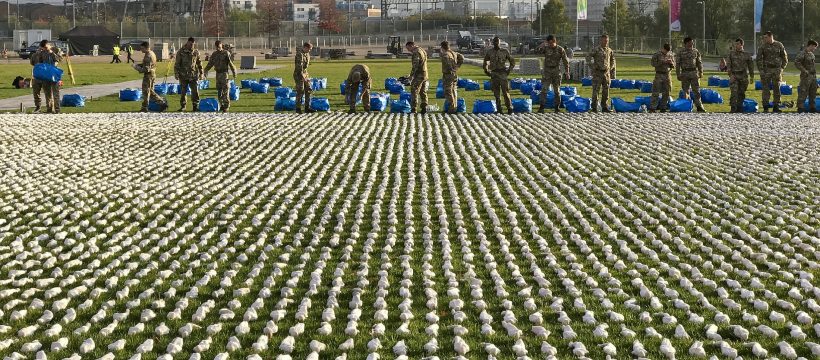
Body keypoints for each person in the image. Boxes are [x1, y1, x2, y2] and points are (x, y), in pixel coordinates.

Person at [535, 34, 570, 113]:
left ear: (555, 41)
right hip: (547, 72)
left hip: (556, 72)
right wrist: (542, 45)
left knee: (557, 91)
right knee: (544, 90)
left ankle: (556, 107)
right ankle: (542, 107)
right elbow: (536, 51)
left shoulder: (560, 49)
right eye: (549, 43)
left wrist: (567, 72)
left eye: (551, 43)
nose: (550, 44)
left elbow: (565, 61)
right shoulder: (546, 48)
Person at [756, 31, 788, 112]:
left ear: (771, 37)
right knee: (765, 88)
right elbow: (759, 59)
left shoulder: (779, 45)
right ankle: (765, 106)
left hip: (777, 70)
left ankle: (776, 106)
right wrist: (761, 70)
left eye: (766, 37)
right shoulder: (762, 47)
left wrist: (781, 68)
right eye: (764, 38)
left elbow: (785, 58)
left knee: (777, 88)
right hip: (766, 70)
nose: (764, 39)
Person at [483, 36, 515, 114]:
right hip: (494, 74)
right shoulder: (490, 52)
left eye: (497, 41)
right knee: (496, 93)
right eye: (495, 41)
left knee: (506, 92)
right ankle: (499, 109)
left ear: (500, 42)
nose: (496, 43)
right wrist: (486, 70)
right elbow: (485, 61)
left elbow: (512, 62)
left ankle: (509, 108)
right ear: (492, 43)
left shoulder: (505, 51)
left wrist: (509, 71)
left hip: (503, 73)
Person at [204, 40, 237, 113]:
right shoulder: (214, 54)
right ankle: (221, 105)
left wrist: (234, 72)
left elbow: (230, 64)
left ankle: (226, 106)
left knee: (225, 91)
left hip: (224, 74)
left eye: (219, 47)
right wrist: (205, 70)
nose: (218, 48)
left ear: (221, 45)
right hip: (218, 74)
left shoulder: (226, 53)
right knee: (219, 92)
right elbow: (210, 63)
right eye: (217, 47)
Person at [29, 39, 62, 114]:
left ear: (49, 45)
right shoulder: (42, 52)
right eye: (43, 48)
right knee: (48, 93)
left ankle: (57, 110)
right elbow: (38, 62)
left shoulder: (56, 50)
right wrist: (38, 53)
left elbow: (59, 59)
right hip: (46, 75)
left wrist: (52, 53)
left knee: (56, 93)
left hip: (54, 74)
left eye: (46, 48)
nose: (45, 49)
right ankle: (49, 109)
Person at [586, 34, 616, 112]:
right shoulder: (596, 49)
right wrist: (592, 66)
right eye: (604, 40)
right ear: (601, 40)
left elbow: (613, 60)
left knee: (606, 91)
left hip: (606, 73)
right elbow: (588, 56)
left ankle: (604, 107)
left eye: (607, 41)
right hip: (597, 73)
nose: (606, 42)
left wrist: (611, 68)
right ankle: (594, 107)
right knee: (596, 91)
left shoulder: (609, 50)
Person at [675, 37, 706, 112]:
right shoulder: (680, 52)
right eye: (690, 43)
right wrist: (678, 74)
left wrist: (701, 72)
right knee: (685, 91)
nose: (691, 44)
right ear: (685, 43)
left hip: (694, 73)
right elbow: (678, 64)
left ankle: (699, 106)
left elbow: (699, 62)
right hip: (685, 73)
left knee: (697, 91)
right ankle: (687, 106)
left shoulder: (695, 51)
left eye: (692, 43)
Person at [175, 37, 203, 112]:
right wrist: (176, 73)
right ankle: (183, 106)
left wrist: (201, 73)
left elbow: (199, 63)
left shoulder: (195, 52)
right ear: (187, 42)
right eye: (190, 44)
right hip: (183, 75)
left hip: (193, 75)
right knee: (183, 92)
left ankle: (195, 106)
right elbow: (177, 64)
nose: (191, 46)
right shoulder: (181, 52)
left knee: (195, 91)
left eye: (193, 44)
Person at [139, 41, 169, 113]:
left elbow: (146, 69)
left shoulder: (148, 55)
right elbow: (148, 64)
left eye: (142, 48)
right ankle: (162, 103)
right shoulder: (152, 53)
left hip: (148, 75)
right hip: (152, 74)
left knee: (146, 91)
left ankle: (145, 107)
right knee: (151, 91)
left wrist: (137, 68)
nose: (141, 50)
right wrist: (140, 65)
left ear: (146, 48)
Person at [726, 38, 754, 113]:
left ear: (742, 44)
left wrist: (752, 76)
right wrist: (730, 75)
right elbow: (728, 65)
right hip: (734, 76)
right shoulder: (731, 54)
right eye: (735, 44)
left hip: (743, 77)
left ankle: (739, 108)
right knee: (734, 92)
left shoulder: (747, 55)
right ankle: (733, 108)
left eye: (738, 44)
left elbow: (751, 66)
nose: (736, 45)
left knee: (741, 93)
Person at [440, 41, 464, 114]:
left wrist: (451, 69)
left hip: (448, 75)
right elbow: (462, 57)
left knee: (448, 92)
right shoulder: (453, 53)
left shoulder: (445, 55)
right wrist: (457, 67)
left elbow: (447, 64)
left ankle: (452, 108)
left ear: (442, 47)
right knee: (453, 90)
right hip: (454, 74)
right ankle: (454, 107)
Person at [650, 43, 675, 112]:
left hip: (667, 75)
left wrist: (671, 63)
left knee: (667, 92)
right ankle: (653, 108)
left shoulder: (671, 55)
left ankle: (663, 107)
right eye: (666, 50)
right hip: (659, 75)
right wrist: (662, 62)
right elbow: (653, 64)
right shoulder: (657, 55)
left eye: (668, 51)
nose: (667, 52)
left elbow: (673, 65)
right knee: (655, 92)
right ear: (663, 48)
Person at [794, 39, 818, 113]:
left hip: (813, 76)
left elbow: (813, 66)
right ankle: (800, 107)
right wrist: (804, 70)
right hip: (806, 76)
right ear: (811, 45)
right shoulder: (802, 53)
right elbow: (797, 62)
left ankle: (812, 107)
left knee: (813, 92)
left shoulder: (812, 54)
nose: (815, 48)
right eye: (814, 47)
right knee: (803, 92)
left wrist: (815, 78)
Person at [405, 41, 428, 114]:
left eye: (408, 48)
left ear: (411, 46)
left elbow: (415, 65)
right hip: (425, 74)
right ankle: (424, 107)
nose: (408, 50)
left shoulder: (416, 52)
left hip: (419, 75)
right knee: (423, 91)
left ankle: (413, 109)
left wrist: (411, 75)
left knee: (414, 90)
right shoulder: (422, 50)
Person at [294, 42, 315, 113]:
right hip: (299, 74)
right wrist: (303, 77)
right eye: (309, 49)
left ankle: (307, 107)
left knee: (308, 89)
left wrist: (307, 77)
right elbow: (299, 67)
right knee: (300, 91)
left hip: (305, 73)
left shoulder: (307, 54)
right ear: (305, 47)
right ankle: (298, 108)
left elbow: (305, 67)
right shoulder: (299, 54)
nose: (309, 51)